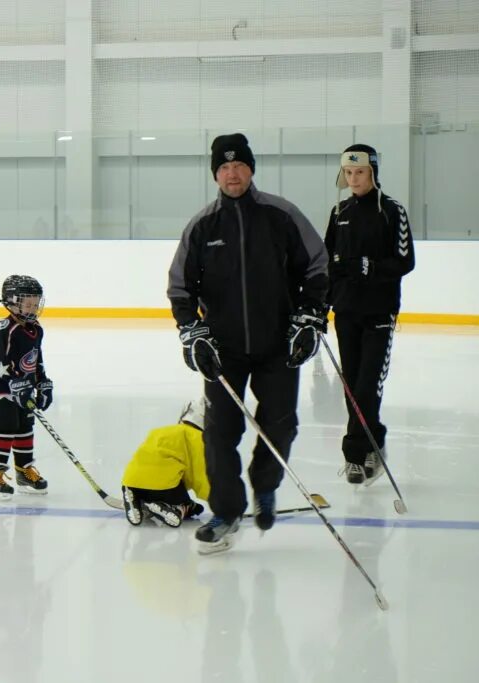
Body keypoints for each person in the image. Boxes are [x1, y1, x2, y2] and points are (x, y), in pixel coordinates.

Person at [167, 132, 329, 555]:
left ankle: (266, 485)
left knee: (280, 423)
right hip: (224, 350)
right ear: (215, 174)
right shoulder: (203, 226)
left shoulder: (281, 215)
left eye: (239, 165)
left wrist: (310, 317)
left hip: (279, 342)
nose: (232, 173)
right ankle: (226, 511)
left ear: (251, 169)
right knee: (219, 432)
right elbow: (180, 287)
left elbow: (316, 266)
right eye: (223, 167)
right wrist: (192, 332)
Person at [324, 144, 415, 486]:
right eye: (348, 173)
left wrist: (370, 267)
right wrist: (322, 305)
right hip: (345, 312)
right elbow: (327, 262)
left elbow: (405, 261)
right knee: (351, 388)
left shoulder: (392, 211)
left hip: (378, 312)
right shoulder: (339, 211)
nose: (353, 179)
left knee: (367, 388)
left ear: (373, 172)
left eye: (360, 172)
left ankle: (358, 451)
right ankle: (367, 447)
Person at [0, 274, 52, 499]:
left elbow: (35, 360)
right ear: (11, 302)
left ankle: (24, 472)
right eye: (27, 302)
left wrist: (43, 383)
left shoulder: (36, 329)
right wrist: (16, 384)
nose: (33, 306)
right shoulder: (2, 328)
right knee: (5, 430)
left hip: (23, 390)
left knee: (24, 429)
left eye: (36, 302)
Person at [121, 400, 209, 528]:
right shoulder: (199, 440)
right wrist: (220, 503)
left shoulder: (159, 431)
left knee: (152, 478)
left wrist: (130, 482)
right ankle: (174, 508)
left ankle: (138, 501)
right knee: (191, 506)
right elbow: (199, 478)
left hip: (130, 480)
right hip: (162, 488)